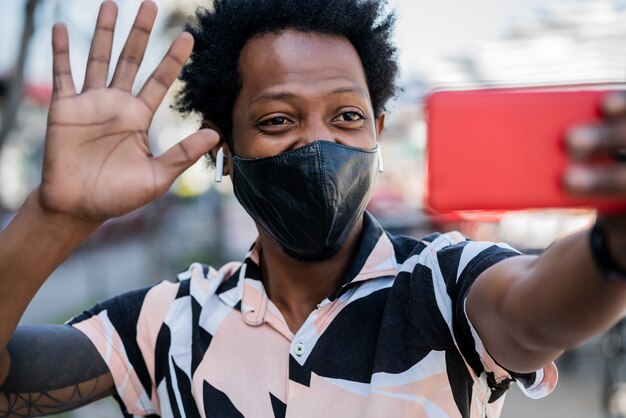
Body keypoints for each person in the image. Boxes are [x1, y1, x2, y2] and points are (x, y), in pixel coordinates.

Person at [1, 0, 626, 416]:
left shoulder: (441, 284)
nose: (319, 143)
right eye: (277, 119)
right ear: (223, 151)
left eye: (348, 117)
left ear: (377, 132)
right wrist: (54, 219)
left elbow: (533, 311)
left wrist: (612, 249)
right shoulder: (167, 323)